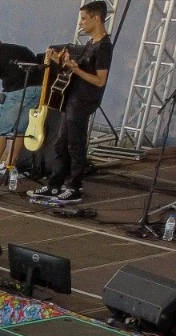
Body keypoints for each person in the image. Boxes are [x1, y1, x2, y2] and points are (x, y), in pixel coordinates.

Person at [28, 2, 111, 203]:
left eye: (84, 18)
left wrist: (76, 70)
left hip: (84, 100)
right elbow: (75, 69)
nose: (81, 23)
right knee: (60, 143)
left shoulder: (104, 46)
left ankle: (74, 187)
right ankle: (54, 185)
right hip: (72, 98)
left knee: (75, 144)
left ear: (96, 18)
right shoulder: (91, 43)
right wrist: (61, 62)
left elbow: (100, 80)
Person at [0, 37, 44, 176]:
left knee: (0, 129)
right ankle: (9, 167)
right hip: (38, 90)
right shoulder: (21, 48)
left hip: (16, 91)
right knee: (20, 129)